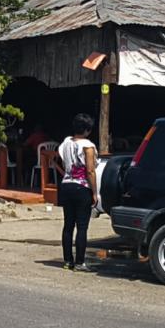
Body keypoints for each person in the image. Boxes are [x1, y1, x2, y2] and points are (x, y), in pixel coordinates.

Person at [56, 113, 98, 271]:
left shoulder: (66, 142)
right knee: (82, 227)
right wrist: (94, 192)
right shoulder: (88, 146)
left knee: (68, 225)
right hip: (82, 187)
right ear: (87, 130)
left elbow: (63, 160)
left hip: (66, 185)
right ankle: (80, 262)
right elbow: (90, 171)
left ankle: (67, 261)